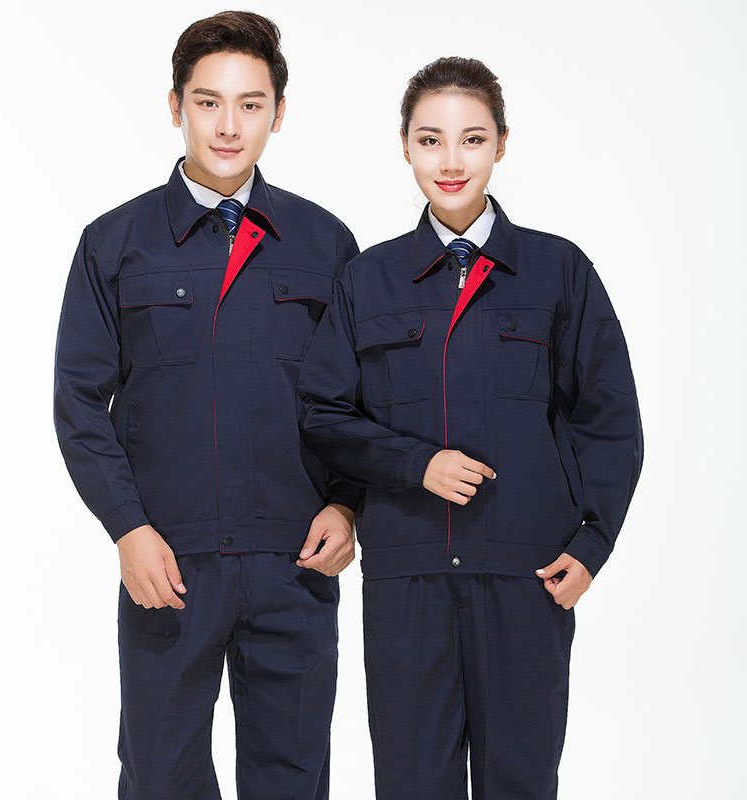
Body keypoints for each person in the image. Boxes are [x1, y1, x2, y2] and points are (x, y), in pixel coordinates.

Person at [298, 56, 643, 799]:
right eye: (430, 140)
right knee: (412, 785)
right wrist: (414, 464)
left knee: (520, 782)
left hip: (527, 577)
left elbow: (608, 418)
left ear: (502, 144)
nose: (451, 162)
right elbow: (323, 412)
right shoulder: (369, 280)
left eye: (472, 139)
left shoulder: (558, 271)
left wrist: (592, 545)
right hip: (407, 577)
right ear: (404, 146)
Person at [54, 12, 361, 800]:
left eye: (251, 104)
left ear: (278, 114)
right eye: (208, 102)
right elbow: (79, 403)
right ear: (175, 106)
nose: (229, 126)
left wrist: (349, 506)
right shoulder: (115, 244)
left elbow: (364, 400)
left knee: (293, 780)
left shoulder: (325, 245)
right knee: (160, 777)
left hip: (294, 561)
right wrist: (128, 528)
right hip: (168, 560)